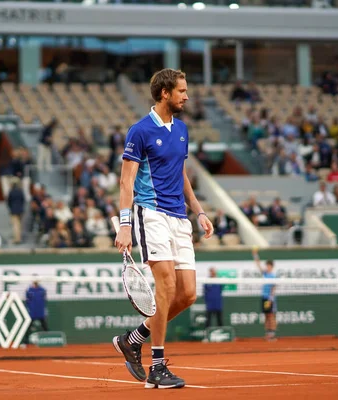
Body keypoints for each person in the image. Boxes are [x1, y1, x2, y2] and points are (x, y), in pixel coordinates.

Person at [112, 68, 214, 389]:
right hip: (150, 215)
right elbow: (126, 181)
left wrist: (198, 211)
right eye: (181, 91)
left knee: (187, 294)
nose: (186, 96)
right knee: (166, 286)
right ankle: (157, 366)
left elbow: (180, 173)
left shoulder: (182, 129)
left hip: (180, 218)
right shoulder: (139, 131)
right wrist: (125, 225)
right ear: (165, 93)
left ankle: (133, 339)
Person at [252, 248, 277, 341]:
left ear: (272, 267)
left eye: (269, 266)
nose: (267, 267)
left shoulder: (273, 276)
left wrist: (271, 298)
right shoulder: (265, 273)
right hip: (264, 298)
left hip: (269, 299)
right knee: (266, 316)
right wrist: (255, 254)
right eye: (267, 266)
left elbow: (273, 288)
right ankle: (267, 334)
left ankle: (272, 334)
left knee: (271, 316)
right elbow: (258, 264)